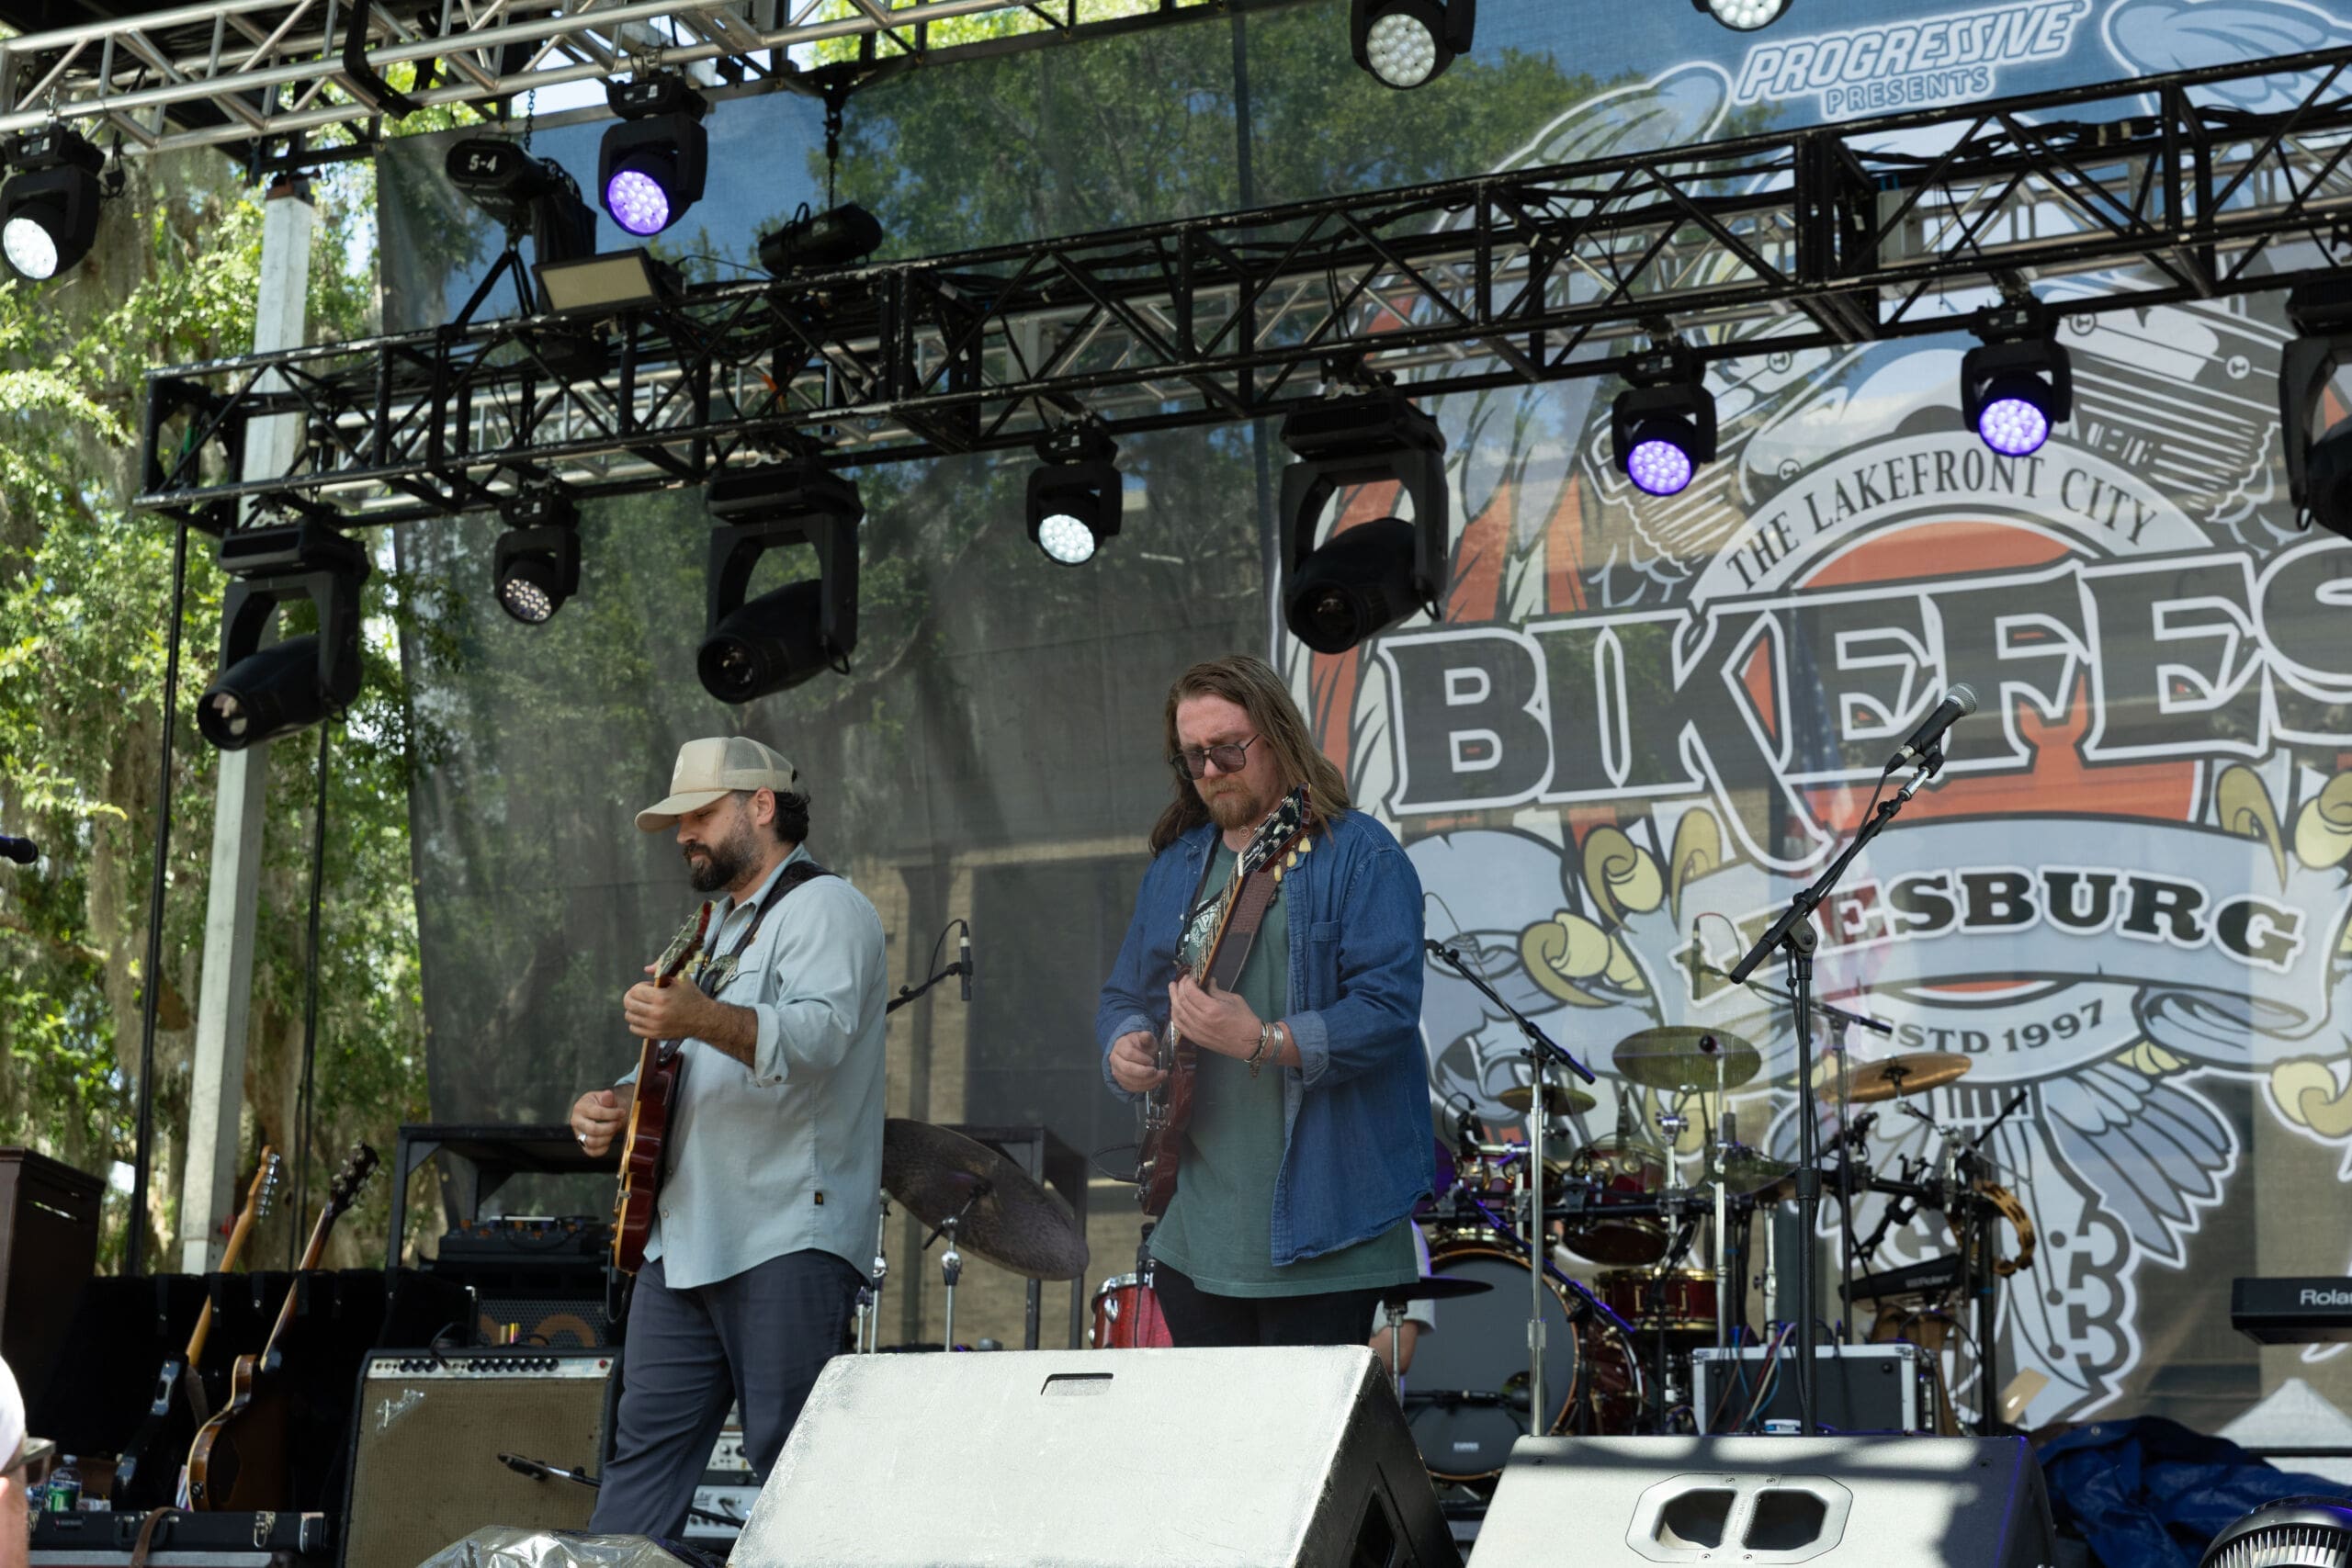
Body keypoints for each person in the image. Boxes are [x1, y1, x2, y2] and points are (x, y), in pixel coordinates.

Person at [570, 737, 887, 1539]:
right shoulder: (712, 927)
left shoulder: (826, 906)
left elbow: (817, 1038)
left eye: (701, 814)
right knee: (640, 1471)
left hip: (783, 1235)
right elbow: (680, 1061)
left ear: (761, 805)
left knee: (794, 1470)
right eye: (678, 820)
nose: (684, 833)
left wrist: (699, 1014)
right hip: (682, 1244)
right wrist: (615, 1102)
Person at [1101, 654, 1431, 1348]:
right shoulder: (1176, 866)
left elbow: (1388, 1012)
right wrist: (1124, 1042)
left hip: (1329, 1229)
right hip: (1197, 1234)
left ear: (1278, 737)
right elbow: (1126, 994)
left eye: (1228, 748)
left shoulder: (1361, 853)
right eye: (1194, 756)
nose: (1211, 769)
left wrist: (1265, 1040)